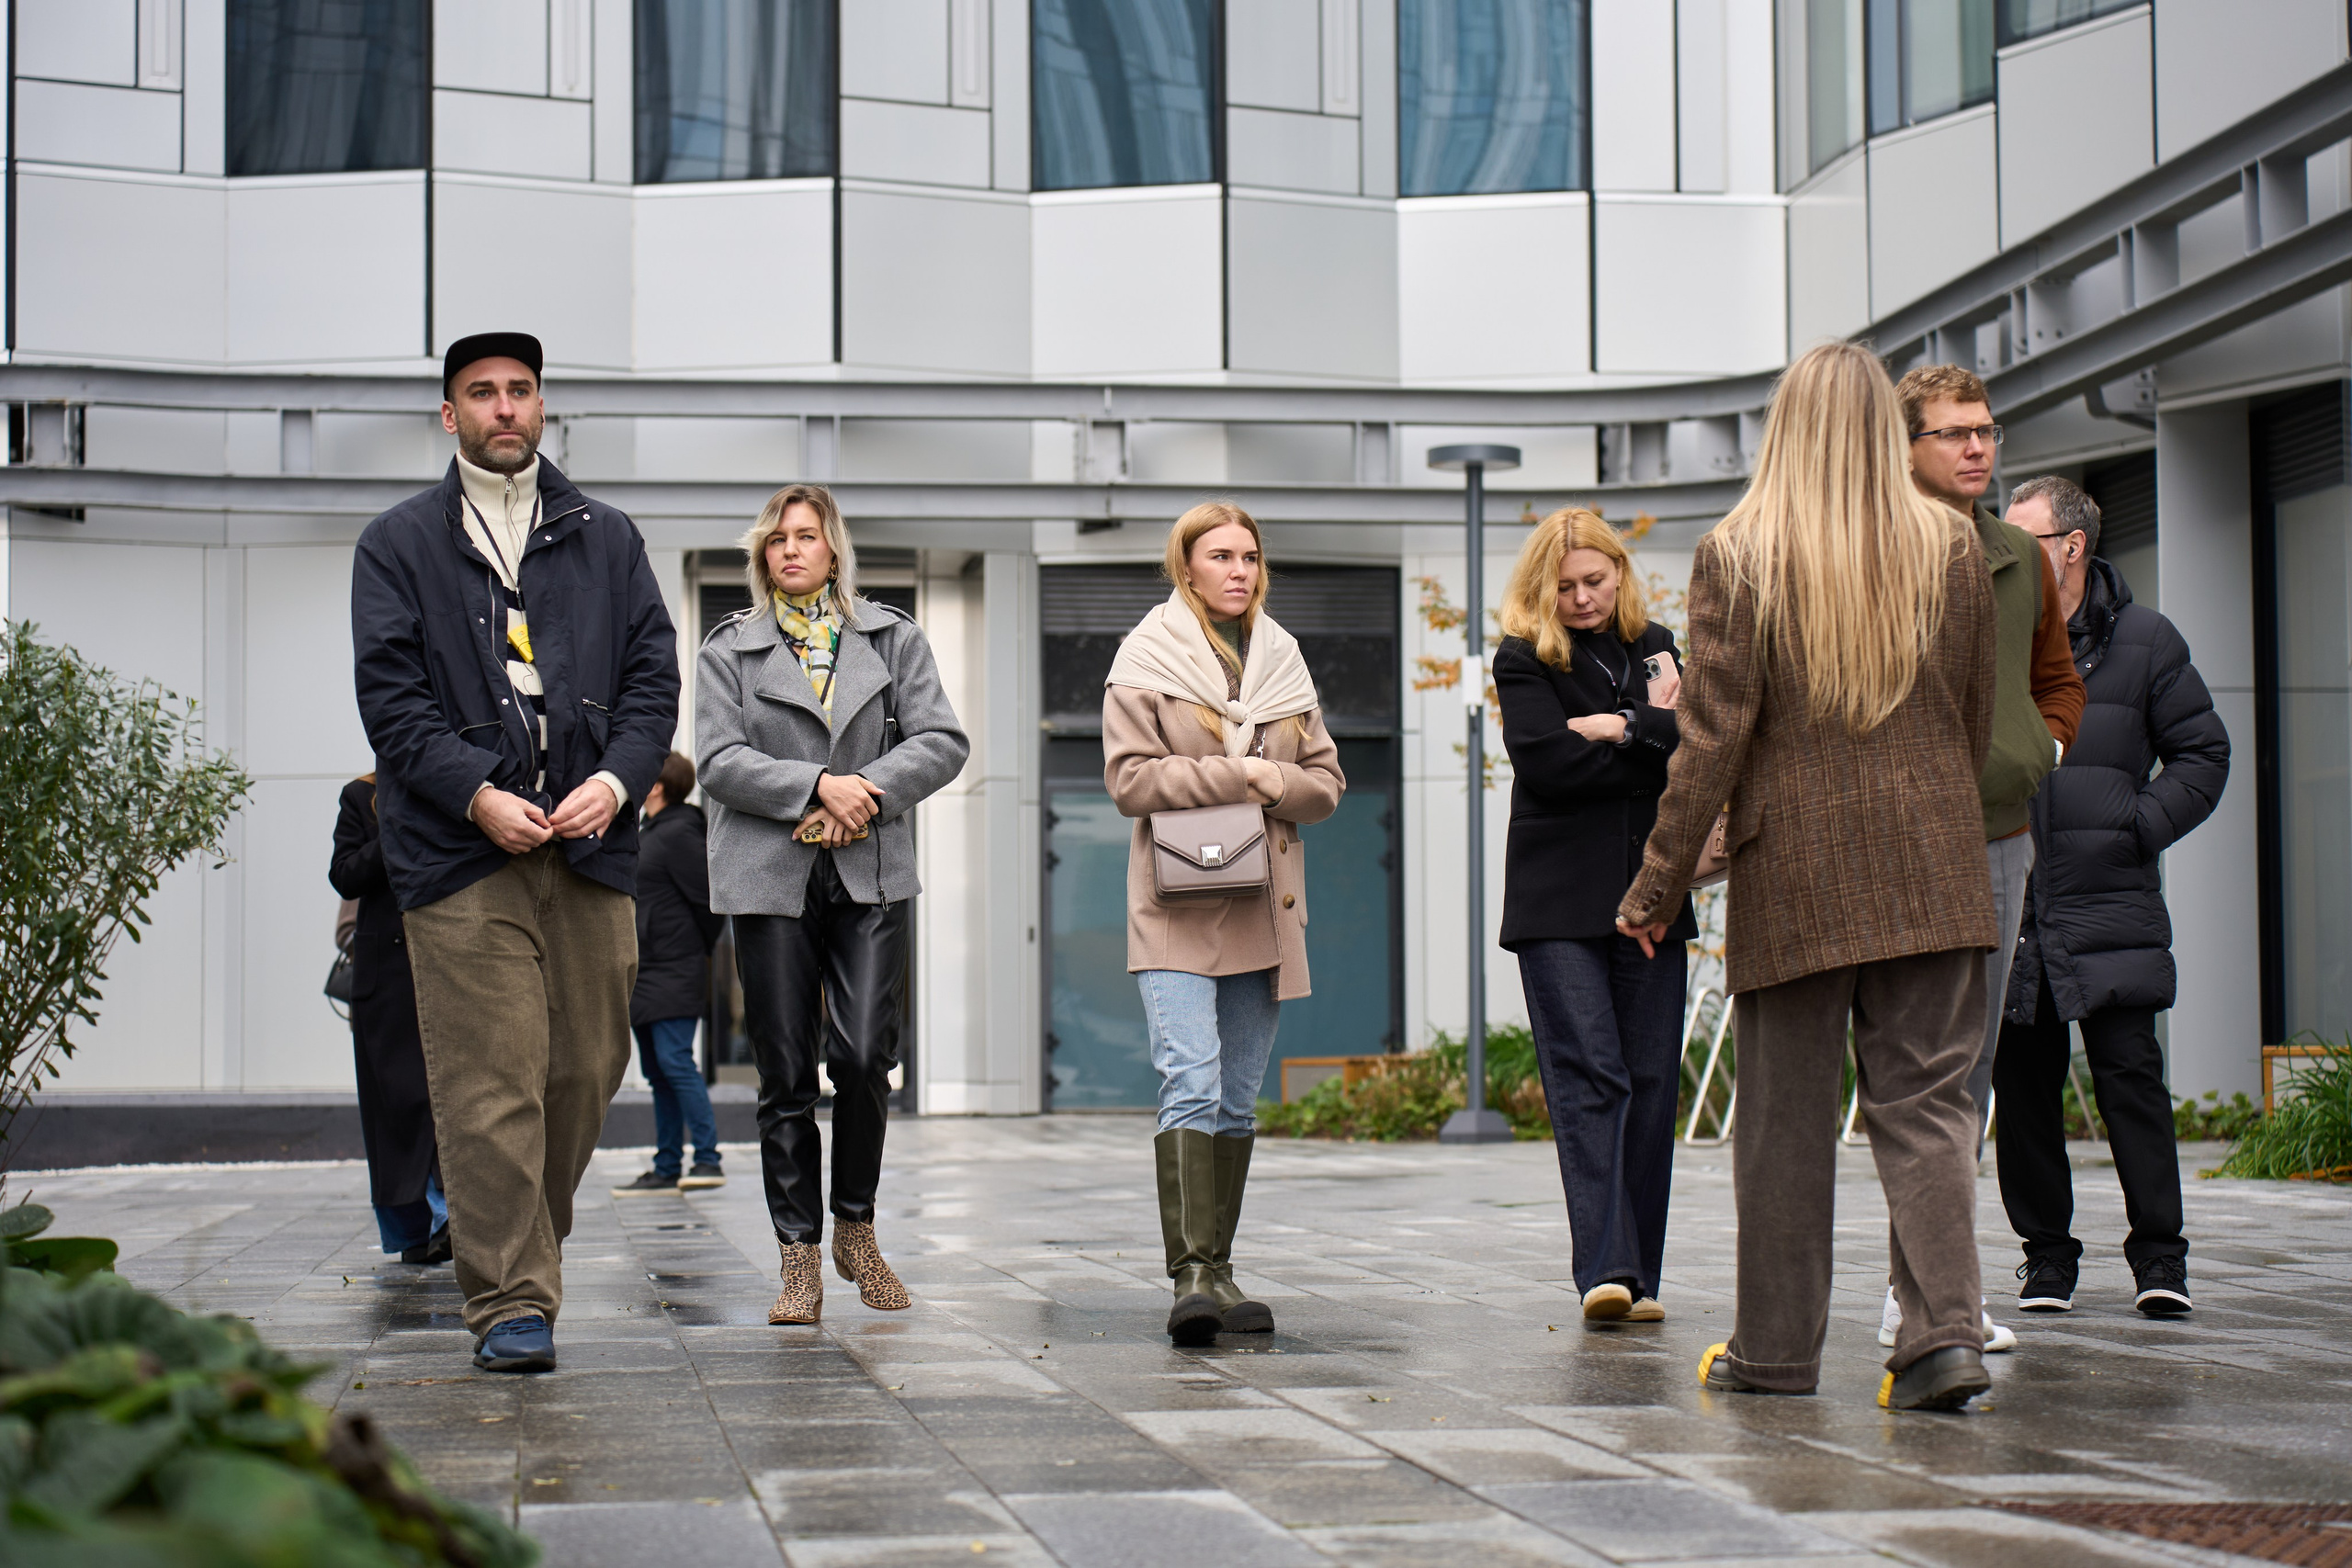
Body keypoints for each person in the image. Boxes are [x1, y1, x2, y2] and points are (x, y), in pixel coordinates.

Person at [1619, 340, 1999, 1412]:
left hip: (1796, 876)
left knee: (1783, 1124)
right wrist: (1930, 822)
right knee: (1927, 1109)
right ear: (1885, 427)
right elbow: (1971, 723)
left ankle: (1775, 1356)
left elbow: (1709, 743)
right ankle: (1942, 1340)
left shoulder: (1739, 552)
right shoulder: (1951, 546)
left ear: (1782, 427)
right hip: (1935, 865)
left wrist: (1654, 890)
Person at [351, 332, 680, 1373]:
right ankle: (509, 1302)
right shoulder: (397, 542)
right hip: (461, 854)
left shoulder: (609, 539)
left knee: (585, 1068)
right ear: (449, 416)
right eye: (481, 394)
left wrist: (617, 783)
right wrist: (477, 795)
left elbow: (652, 686)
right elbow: (391, 705)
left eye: (520, 391)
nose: (504, 408)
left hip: (590, 849)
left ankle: (520, 1241)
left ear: (543, 409)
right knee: (490, 1079)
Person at [698, 483, 968, 1325]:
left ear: (832, 549)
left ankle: (856, 1226)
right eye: (777, 539)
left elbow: (942, 741)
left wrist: (866, 792)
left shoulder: (894, 639)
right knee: (784, 1072)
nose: (791, 550)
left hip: (869, 870)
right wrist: (817, 783)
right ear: (761, 555)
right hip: (769, 875)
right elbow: (716, 758)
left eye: (807, 536)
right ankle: (800, 1258)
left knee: (860, 1056)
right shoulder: (727, 651)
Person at [1880, 364, 2087, 1355]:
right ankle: (1925, 1296)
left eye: (1987, 430)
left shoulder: (2018, 555)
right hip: (1903, 841)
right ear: (1908, 447)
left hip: (2002, 836)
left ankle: (1926, 1293)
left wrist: (2040, 748)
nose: (1976, 447)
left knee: (1966, 1072)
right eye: (1954, 432)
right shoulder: (1877, 549)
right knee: (1923, 1069)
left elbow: (2058, 680)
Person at [1104, 502, 1346, 1346]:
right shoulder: (1146, 659)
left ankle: (1223, 1269)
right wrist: (1242, 770)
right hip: (1177, 904)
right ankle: (1190, 1276)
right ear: (1188, 568)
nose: (1238, 569)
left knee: (1238, 1100)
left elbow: (1325, 783)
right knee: (1191, 1080)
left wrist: (1273, 784)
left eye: (1249, 555)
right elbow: (1131, 780)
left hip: (1263, 906)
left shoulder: (1283, 662)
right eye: (1220, 556)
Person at [1994, 475, 2228, 1317]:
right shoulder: (1994, 635)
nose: (2005, 554)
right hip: (2016, 905)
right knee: (2024, 1090)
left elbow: (2204, 755)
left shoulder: (2148, 641)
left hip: (2111, 901)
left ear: (2071, 546)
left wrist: (2137, 825)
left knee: (2132, 1076)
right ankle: (2047, 1261)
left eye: (2022, 538)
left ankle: (2161, 1260)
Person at [1494, 508, 1690, 1325]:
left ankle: (1640, 1274)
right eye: (1565, 586)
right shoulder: (1521, 657)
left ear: (1620, 572)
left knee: (1650, 1085)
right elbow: (1548, 762)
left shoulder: (1659, 643)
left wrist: (1622, 724)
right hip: (1559, 905)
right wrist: (1651, 742)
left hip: (1651, 898)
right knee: (1593, 1076)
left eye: (1594, 581)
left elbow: (1700, 745)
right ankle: (1605, 1268)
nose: (1581, 598)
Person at [328, 772, 448, 1266]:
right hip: (386, 980)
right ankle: (410, 1229)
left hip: (449, 965)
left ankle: (451, 1219)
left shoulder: (457, 788)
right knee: (397, 1104)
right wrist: (393, 832)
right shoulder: (362, 795)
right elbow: (345, 874)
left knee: (445, 1098)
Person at [615, 751, 727, 1196]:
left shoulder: (680, 831)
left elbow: (708, 901)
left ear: (657, 786)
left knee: (676, 1062)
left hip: (674, 967)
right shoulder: (648, 830)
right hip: (645, 969)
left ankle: (706, 1159)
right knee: (658, 1069)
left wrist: (691, 950)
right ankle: (666, 1165)